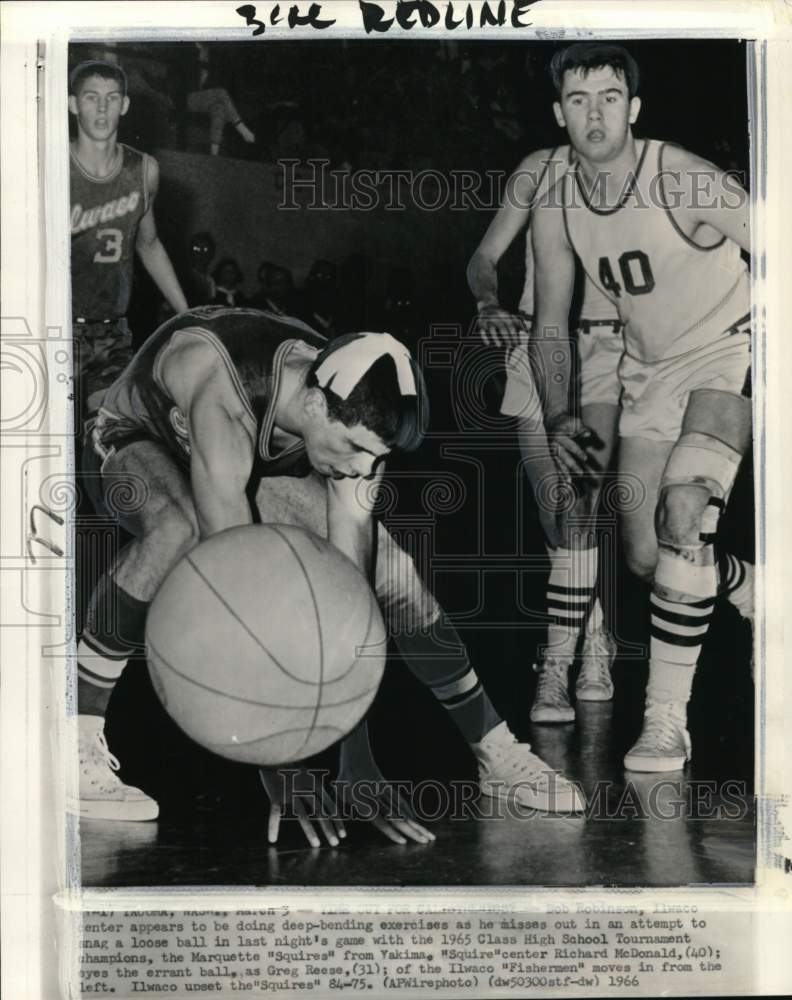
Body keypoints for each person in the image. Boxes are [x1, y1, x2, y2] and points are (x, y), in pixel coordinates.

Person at [73, 306, 586, 837]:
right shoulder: (223, 385)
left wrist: (354, 761)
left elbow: (349, 598)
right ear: (315, 405)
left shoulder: (352, 411)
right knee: (178, 527)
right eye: (356, 449)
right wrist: (278, 760)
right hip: (134, 436)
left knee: (392, 570)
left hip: (240, 459)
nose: (363, 470)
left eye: (377, 458)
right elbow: (237, 587)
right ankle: (75, 735)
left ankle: (495, 748)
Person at [530, 42, 753, 770]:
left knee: (685, 509)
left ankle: (665, 724)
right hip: (647, 371)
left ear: (634, 107)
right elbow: (550, 323)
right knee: (647, 557)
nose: (594, 114)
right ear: (558, 112)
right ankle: (748, 587)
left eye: (608, 97)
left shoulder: (679, 176)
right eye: (578, 100)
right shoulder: (558, 199)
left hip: (728, 350)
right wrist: (561, 413)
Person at [468, 142, 622, 724]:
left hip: (607, 346)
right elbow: (483, 256)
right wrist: (488, 301)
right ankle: (596, 630)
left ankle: (561, 664)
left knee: (580, 506)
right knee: (553, 510)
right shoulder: (539, 168)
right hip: (535, 343)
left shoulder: (644, 172)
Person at [69, 60, 188, 420]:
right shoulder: (51, 164)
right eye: (91, 97)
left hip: (112, 333)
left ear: (125, 105)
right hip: (56, 329)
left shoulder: (144, 169)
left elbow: (148, 244)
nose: (102, 108)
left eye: (111, 98)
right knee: (56, 441)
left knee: (113, 435)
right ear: (73, 104)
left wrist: (187, 313)